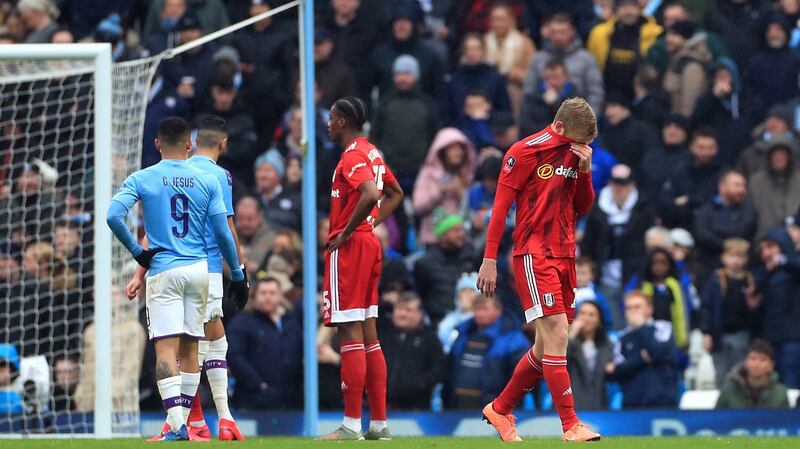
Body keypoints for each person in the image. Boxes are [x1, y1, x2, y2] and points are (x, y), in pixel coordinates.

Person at [105, 117, 247, 441]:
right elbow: (224, 233)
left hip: (164, 270)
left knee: (167, 352)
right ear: (189, 145)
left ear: (157, 144)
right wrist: (237, 274)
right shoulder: (207, 180)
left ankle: (177, 425)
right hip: (199, 271)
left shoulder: (143, 178)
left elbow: (113, 215)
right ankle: (191, 422)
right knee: (193, 350)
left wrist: (136, 254)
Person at [477, 97, 601, 441]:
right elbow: (500, 209)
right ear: (559, 127)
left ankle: (500, 409)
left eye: (586, 142)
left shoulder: (577, 154)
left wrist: (586, 171)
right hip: (534, 254)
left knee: (546, 348)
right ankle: (570, 424)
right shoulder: (524, 151)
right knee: (559, 334)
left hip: (565, 253)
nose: (581, 146)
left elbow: (584, 207)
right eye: (576, 139)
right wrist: (489, 259)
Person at [320, 97, 404, 440]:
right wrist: (370, 224)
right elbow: (396, 192)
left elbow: (371, 193)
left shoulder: (353, 155)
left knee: (348, 331)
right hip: (369, 245)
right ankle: (379, 424)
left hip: (351, 248)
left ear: (342, 122)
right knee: (369, 333)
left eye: (330, 118)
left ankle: (351, 424)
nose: (327, 124)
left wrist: (350, 229)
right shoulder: (372, 151)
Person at [581, 164, 655, 325]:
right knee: (610, 317)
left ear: (632, 185)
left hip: (633, 273)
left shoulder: (643, 208)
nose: (619, 189)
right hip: (604, 273)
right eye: (616, 184)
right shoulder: (598, 206)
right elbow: (589, 241)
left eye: (623, 184)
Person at [226, 277, 303, 410]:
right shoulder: (242, 323)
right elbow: (235, 357)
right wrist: (258, 384)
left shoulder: (292, 323)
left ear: (280, 296)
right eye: (263, 293)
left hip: (290, 400)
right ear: (255, 296)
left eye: (272, 293)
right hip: (253, 400)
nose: (268, 297)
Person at [369, 54, 440, 193]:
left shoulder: (427, 104)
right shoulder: (385, 103)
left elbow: (435, 136)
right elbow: (374, 136)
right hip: (390, 171)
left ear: (415, 76)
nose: (403, 78)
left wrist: (427, 164)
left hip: (421, 171)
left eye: (407, 74)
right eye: (399, 74)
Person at [446, 295, 529, 410]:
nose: (480, 314)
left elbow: (521, 377)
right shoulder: (462, 334)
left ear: (498, 310)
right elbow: (450, 367)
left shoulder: (513, 339)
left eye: (485, 309)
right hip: (459, 407)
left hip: (497, 409)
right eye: (477, 309)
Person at [700, 238, 758, 387]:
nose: (736, 261)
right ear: (724, 257)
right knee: (721, 373)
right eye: (732, 256)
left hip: (742, 333)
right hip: (720, 334)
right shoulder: (716, 279)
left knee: (740, 372)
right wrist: (706, 332)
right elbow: (707, 307)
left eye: (740, 257)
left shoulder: (749, 280)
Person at [523, 13, 604, 114]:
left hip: (577, 117)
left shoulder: (586, 60)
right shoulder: (538, 59)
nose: (558, 37)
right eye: (554, 32)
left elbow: (595, 93)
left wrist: (588, 121)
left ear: (572, 31)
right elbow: (529, 91)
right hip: (542, 119)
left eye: (562, 32)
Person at [610, 290, 680, 408]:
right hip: (632, 404)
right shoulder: (622, 337)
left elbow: (658, 352)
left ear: (649, 310)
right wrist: (642, 358)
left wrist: (643, 327)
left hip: (663, 401)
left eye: (637, 307)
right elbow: (618, 371)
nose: (632, 311)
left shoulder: (663, 328)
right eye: (628, 308)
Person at [587, 0, 662, 101]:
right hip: (607, 96)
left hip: (641, 98)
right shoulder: (599, 33)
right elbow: (592, 67)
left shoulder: (655, 33)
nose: (628, 11)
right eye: (623, 6)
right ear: (616, 9)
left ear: (639, 8)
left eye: (632, 6)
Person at [381, 293, 447, 410]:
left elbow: (439, 369)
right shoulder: (384, 334)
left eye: (408, 310)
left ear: (419, 313)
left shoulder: (429, 338)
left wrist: (420, 385)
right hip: (381, 407)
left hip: (416, 408)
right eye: (400, 309)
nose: (403, 314)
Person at [412, 128, 477, 245]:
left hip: (461, 239)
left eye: (460, 147)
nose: (458, 152)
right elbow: (418, 206)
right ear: (442, 151)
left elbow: (474, 210)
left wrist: (461, 193)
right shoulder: (428, 174)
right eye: (452, 148)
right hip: (434, 240)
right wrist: (439, 191)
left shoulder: (468, 174)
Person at [414, 211, 479, 326]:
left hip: (470, 322)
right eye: (455, 231)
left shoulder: (471, 258)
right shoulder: (425, 264)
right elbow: (420, 295)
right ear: (443, 235)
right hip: (437, 322)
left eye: (462, 230)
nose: (461, 234)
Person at [755, 228, 800, 388]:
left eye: (770, 247)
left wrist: (785, 261)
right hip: (771, 340)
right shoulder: (764, 272)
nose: (766, 253)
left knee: (791, 386)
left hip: (793, 340)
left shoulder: (793, 267)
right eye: (763, 249)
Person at [693, 170, 758, 279]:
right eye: (737, 185)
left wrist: (715, 229)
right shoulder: (706, 210)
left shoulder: (749, 210)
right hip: (709, 266)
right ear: (722, 187)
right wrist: (725, 243)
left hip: (740, 270)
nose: (742, 190)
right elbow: (701, 234)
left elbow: (742, 231)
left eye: (743, 186)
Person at [625, 248, 692, 349]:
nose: (659, 267)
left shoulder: (676, 285)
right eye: (655, 263)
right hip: (645, 335)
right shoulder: (641, 284)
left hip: (673, 335)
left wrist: (683, 340)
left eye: (663, 263)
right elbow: (628, 301)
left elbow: (685, 311)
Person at [440, 33, 511, 125]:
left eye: (476, 49)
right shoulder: (453, 79)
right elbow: (446, 112)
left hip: (492, 130)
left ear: (483, 51)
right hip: (461, 131)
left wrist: (487, 113)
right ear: (463, 52)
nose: (472, 53)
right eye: (468, 49)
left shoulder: (494, 77)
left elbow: (505, 111)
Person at [483, 2, 536, 114]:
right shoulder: (483, 41)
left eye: (501, 19)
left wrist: (512, 73)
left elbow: (533, 76)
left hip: (515, 91)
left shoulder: (525, 43)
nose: (497, 24)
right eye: (494, 19)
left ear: (511, 20)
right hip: (488, 92)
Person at [567, 301, 614, 410]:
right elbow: (561, 361)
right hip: (571, 405)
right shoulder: (567, 341)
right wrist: (571, 336)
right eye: (582, 313)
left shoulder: (607, 344)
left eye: (591, 314)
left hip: (597, 404)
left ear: (599, 320)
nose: (586, 318)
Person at [716, 339, 791, 409]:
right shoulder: (729, 390)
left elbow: (787, 421)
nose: (756, 364)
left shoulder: (780, 393)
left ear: (771, 365)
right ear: (745, 362)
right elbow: (717, 418)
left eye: (762, 359)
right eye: (753, 358)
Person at [749, 140, 800, 237]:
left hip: (796, 238)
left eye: (782, 154)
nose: (778, 157)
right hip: (764, 237)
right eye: (775, 154)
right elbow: (750, 214)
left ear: (789, 157)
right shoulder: (756, 182)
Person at [662, 21, 712, 118]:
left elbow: (689, 106)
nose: (668, 39)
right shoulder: (677, 61)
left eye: (674, 34)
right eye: (668, 34)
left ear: (686, 38)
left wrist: (681, 126)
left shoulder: (692, 66)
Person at [601, 93, 660, 174]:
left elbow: (650, 160)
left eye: (613, 106)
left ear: (625, 108)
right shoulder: (607, 132)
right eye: (606, 108)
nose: (608, 112)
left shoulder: (643, 130)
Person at [519, 58, 576, 137]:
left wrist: (555, 103)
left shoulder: (574, 97)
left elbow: (574, 126)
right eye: (549, 78)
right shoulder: (533, 97)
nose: (553, 82)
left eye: (557, 77)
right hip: (540, 141)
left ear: (566, 77)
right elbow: (526, 126)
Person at [253, 148, 302, 232]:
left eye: (268, 170)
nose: (263, 175)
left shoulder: (294, 198)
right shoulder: (250, 197)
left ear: (279, 174)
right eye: (260, 170)